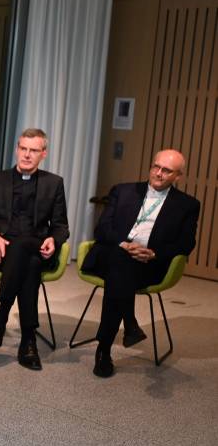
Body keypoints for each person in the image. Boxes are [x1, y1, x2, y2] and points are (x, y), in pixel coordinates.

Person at [83, 149, 200, 378]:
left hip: (148, 264)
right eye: (155, 166)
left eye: (166, 170)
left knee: (120, 271)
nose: (158, 173)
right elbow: (102, 229)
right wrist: (124, 245)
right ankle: (125, 327)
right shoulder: (123, 190)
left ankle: (105, 347)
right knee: (120, 260)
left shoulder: (188, 205)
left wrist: (154, 253)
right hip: (112, 255)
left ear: (178, 176)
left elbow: (186, 243)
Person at [0, 128, 69, 371]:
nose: (26, 155)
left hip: (37, 246)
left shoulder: (53, 183)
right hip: (0, 252)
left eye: (33, 150)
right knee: (29, 264)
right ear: (16, 149)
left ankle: (1, 316)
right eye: (23, 148)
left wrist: (54, 240)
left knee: (25, 247)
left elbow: (61, 226)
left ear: (43, 154)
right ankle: (28, 341)